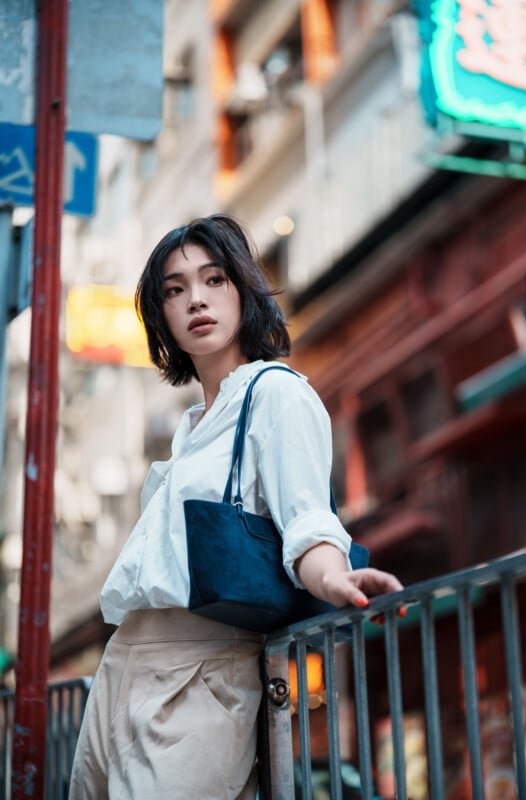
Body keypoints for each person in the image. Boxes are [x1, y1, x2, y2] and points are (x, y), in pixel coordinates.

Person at [69, 214, 404, 800]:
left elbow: (307, 520)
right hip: (121, 672)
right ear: (163, 320)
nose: (195, 299)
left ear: (244, 290)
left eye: (214, 279)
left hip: (197, 678)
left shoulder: (276, 392)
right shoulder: (194, 427)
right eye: (174, 290)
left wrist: (336, 577)